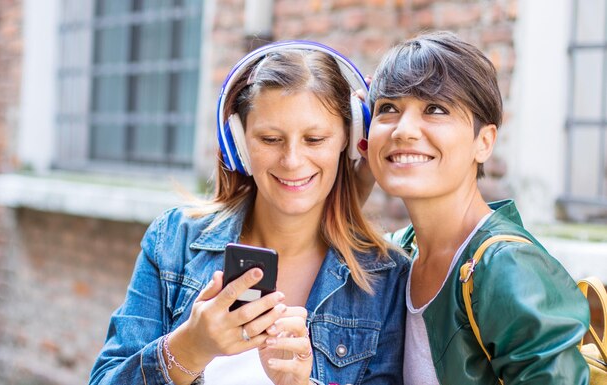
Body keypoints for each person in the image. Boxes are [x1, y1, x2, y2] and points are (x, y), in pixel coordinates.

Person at [89, 40, 409, 385]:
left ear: (350, 138)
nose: (292, 161)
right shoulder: (174, 240)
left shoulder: (385, 278)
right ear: (238, 144)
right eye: (270, 139)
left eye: (314, 139)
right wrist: (189, 347)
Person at [358, 31, 590, 384]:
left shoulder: (507, 268)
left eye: (435, 109)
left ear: (484, 143)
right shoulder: (400, 252)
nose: (403, 130)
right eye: (388, 109)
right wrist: (358, 175)